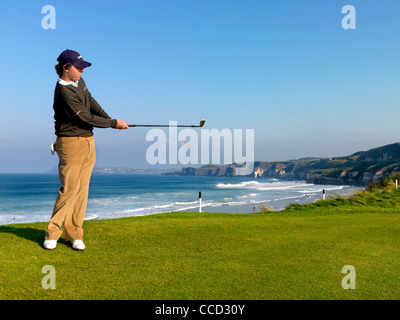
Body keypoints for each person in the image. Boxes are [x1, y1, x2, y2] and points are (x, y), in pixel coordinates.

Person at [43, 49, 129, 251]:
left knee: (81, 191)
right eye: (78, 67)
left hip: (88, 142)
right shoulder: (63, 91)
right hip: (70, 144)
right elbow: (84, 117)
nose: (82, 71)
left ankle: (74, 235)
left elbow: (90, 102)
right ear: (66, 68)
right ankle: (52, 234)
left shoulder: (78, 82)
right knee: (69, 189)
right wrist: (112, 123)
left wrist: (110, 120)